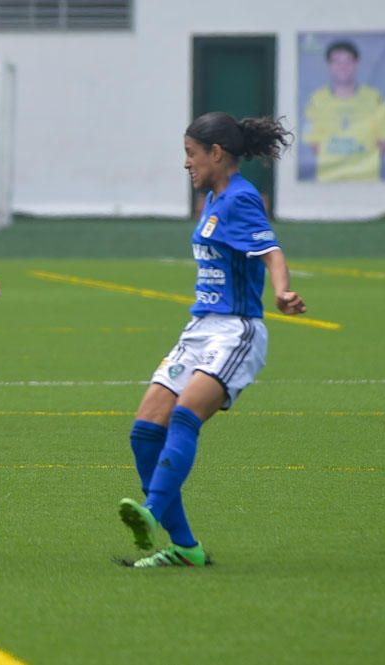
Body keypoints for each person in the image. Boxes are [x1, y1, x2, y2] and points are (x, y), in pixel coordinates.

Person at [117, 112, 306, 568]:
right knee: (145, 431)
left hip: (236, 330)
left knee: (185, 417)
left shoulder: (240, 198)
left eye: (191, 154)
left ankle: (152, 512)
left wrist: (281, 291)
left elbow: (270, 249)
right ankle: (184, 546)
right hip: (199, 330)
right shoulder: (213, 200)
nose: (186, 164)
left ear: (216, 154)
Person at [302, 40, 385, 182]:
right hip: (328, 183)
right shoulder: (316, 100)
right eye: (337, 62)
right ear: (329, 66)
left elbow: (383, 144)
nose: (342, 67)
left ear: (356, 64)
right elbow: (313, 144)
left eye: (347, 61)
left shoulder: (375, 98)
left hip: (367, 182)